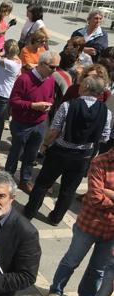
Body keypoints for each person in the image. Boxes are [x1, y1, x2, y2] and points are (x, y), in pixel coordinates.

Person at [24, 75, 110, 225]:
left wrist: (45, 145)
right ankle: (56, 218)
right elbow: (104, 137)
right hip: (83, 156)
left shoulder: (68, 105)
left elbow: (54, 131)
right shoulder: (106, 112)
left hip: (60, 152)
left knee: (43, 184)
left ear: (87, 88)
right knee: (68, 190)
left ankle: (30, 211)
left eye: (82, 84)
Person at [44, 147, 114, 296]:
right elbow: (96, 198)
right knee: (71, 261)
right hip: (89, 225)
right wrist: (103, 193)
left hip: (111, 231)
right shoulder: (100, 162)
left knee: (98, 269)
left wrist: (109, 193)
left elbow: (101, 194)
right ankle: (55, 292)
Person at [4, 52, 59, 194]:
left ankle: (25, 180)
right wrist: (33, 106)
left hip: (40, 123)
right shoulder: (24, 79)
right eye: (52, 67)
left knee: (31, 155)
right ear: (41, 64)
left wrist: (49, 104)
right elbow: (14, 101)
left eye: (56, 67)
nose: (54, 70)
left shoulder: (51, 79)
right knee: (15, 154)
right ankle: (7, 180)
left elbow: (51, 97)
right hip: (22, 124)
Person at [0, 39, 22, 144]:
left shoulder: (8, 63)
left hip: (2, 94)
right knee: (4, 118)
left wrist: (0, 52)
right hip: (8, 92)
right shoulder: (17, 61)